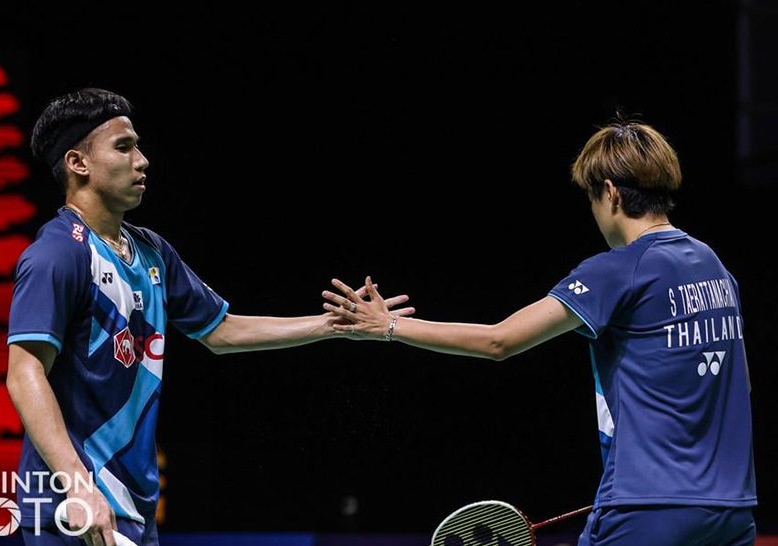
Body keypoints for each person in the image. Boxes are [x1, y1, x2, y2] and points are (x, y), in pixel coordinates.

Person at [6, 88, 413, 546]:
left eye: (138, 146)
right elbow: (24, 372)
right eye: (123, 147)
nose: (142, 161)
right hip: (72, 512)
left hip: (133, 510)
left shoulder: (151, 252)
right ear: (78, 163)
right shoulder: (58, 255)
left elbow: (221, 330)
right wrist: (79, 487)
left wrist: (330, 326)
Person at [323, 119, 757, 545]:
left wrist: (390, 325)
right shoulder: (714, 267)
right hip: (733, 513)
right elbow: (741, 385)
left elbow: (500, 340)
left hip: (647, 510)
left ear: (609, 193)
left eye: (591, 198)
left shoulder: (620, 268)